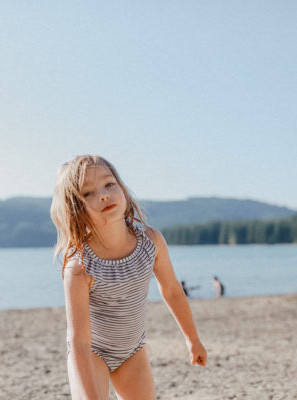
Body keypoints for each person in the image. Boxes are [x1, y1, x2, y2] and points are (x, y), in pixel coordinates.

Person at [50, 155, 207, 399]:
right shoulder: (80, 267)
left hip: (132, 352)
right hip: (91, 353)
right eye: (88, 193)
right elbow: (79, 342)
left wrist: (192, 339)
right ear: (75, 209)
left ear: (122, 188)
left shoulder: (151, 242)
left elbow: (172, 290)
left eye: (109, 184)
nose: (103, 194)